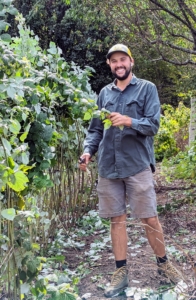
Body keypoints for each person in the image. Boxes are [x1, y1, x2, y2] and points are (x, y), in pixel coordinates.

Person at [79, 44, 184, 298]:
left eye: (123, 59)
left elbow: (154, 125)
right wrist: (87, 152)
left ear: (131, 61)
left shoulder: (147, 89)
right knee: (117, 219)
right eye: (114, 61)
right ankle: (121, 273)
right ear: (109, 65)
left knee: (149, 217)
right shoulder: (104, 93)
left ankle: (163, 264)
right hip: (108, 166)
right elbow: (95, 130)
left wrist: (129, 121)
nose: (119, 64)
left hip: (137, 164)